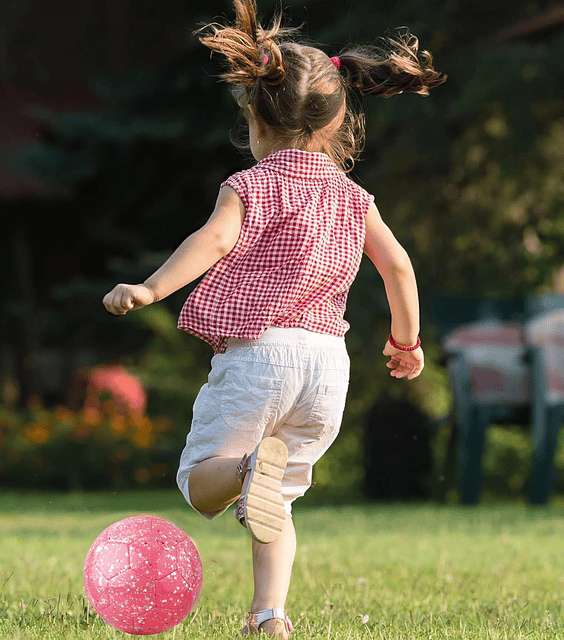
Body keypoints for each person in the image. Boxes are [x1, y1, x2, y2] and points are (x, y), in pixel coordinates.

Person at [103, 0, 445, 635]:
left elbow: (211, 243)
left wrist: (152, 288)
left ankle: (246, 472)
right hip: (326, 368)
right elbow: (399, 267)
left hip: (260, 357)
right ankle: (269, 615)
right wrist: (406, 342)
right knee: (275, 500)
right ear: (338, 124)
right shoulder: (353, 196)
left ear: (257, 122)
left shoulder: (253, 184)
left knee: (202, 484)